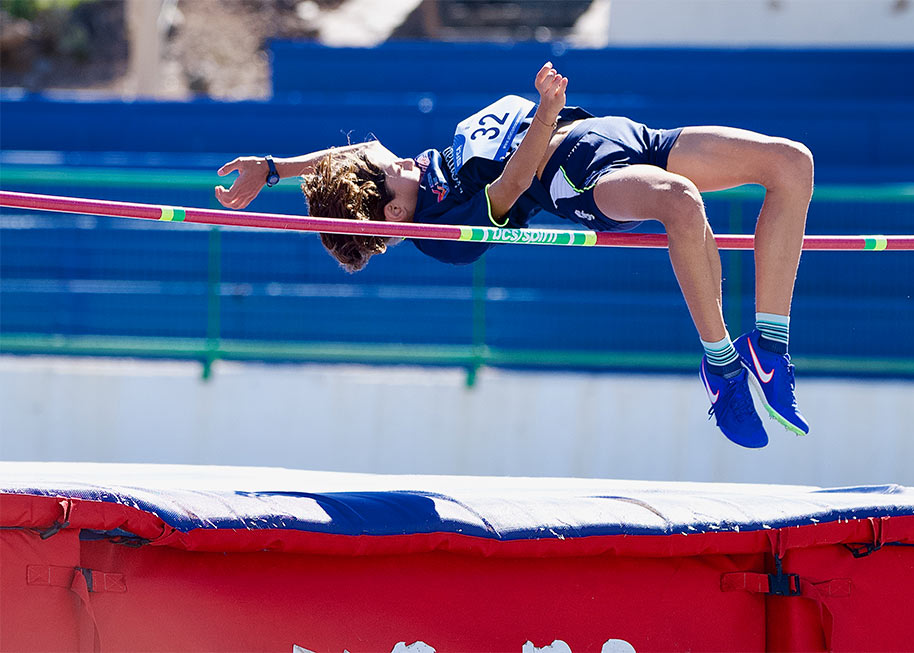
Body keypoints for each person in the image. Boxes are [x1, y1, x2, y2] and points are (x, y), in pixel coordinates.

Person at [215, 62, 812, 449]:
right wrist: (547, 108)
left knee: (792, 163)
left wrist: (272, 168)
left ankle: (769, 344)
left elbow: (354, 154)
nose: (393, 157)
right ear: (393, 215)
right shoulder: (441, 230)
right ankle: (722, 364)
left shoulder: (410, 174)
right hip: (578, 175)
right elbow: (513, 182)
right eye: (390, 173)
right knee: (679, 202)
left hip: (622, 133)